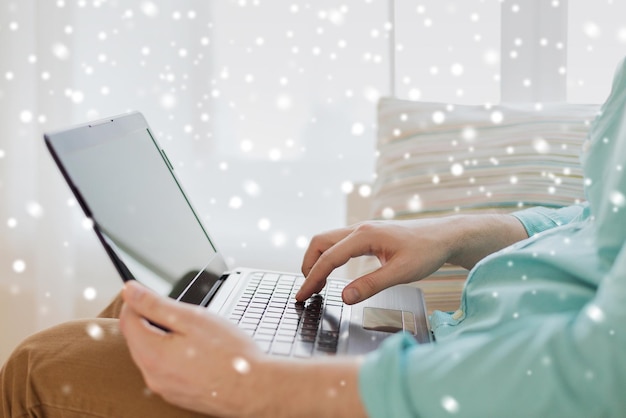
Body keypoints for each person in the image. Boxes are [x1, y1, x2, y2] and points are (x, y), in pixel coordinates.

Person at [2, 59, 626, 417]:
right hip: (463, 351)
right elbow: (599, 221)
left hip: (465, 389)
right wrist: (457, 232)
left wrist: (258, 382)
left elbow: (600, 376)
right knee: (148, 314)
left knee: (45, 362)